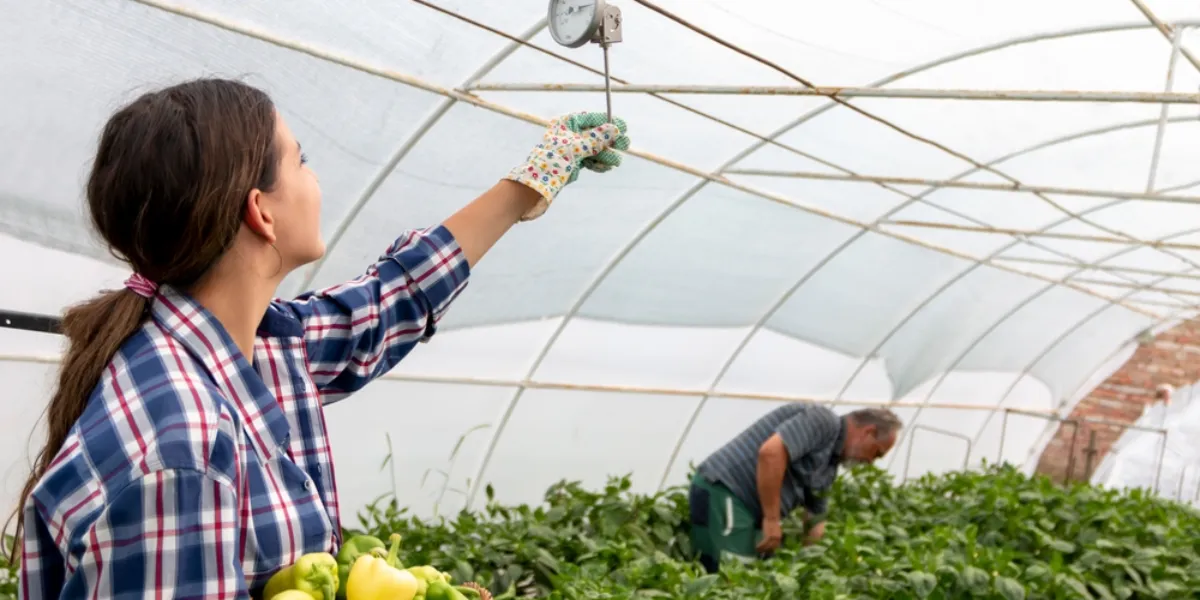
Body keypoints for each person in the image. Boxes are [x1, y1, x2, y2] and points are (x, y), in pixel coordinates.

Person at [9, 78, 631, 599]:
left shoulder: (261, 348)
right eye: (300, 159)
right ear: (262, 212)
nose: (314, 176)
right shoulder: (181, 457)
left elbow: (389, 301)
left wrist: (533, 180)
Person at [687, 403, 901, 573]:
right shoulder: (823, 421)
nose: (872, 462)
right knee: (732, 579)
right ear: (869, 432)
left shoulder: (829, 464)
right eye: (877, 452)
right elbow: (771, 453)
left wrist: (809, 565)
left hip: (746, 508)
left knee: (748, 578)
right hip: (726, 491)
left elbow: (815, 519)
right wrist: (771, 520)